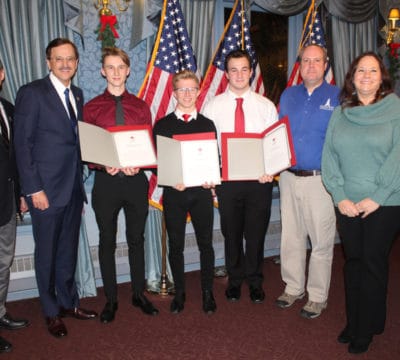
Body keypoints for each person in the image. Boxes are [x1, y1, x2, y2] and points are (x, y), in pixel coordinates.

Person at [13, 38, 97, 338]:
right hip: (44, 192)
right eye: (58, 59)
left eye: (70, 59)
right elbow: (22, 145)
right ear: (48, 62)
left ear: (76, 62)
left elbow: (77, 143)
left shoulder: (77, 93)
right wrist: (32, 188)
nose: (65, 64)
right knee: (46, 253)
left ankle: (68, 302)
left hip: (73, 189)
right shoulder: (32, 93)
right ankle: (50, 311)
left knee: (67, 251)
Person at [322, 52, 400, 354]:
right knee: (353, 263)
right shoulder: (341, 113)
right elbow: (329, 156)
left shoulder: (395, 109)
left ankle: (366, 328)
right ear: (352, 77)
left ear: (382, 77)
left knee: (372, 262)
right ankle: (356, 320)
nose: (366, 76)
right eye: (360, 71)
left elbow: (397, 157)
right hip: (347, 204)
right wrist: (339, 195)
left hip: (387, 202)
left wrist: (377, 196)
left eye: (373, 70)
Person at [83, 47, 158, 323]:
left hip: (135, 181)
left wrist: (140, 163)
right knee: (106, 241)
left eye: (120, 67)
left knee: (137, 239)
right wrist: (102, 164)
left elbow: (147, 145)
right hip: (106, 183)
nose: (115, 72)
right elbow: (88, 151)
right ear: (103, 71)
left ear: (128, 71)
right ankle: (111, 300)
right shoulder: (91, 108)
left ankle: (139, 294)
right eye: (110, 67)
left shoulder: (141, 107)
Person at [203, 49, 278, 303]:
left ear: (251, 72)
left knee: (256, 235)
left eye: (244, 69)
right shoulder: (213, 107)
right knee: (231, 234)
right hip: (227, 182)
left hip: (259, 182)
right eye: (233, 69)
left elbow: (274, 146)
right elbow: (208, 146)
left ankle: (255, 281)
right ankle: (235, 281)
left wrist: (272, 170)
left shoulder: (265, 106)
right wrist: (212, 178)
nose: (239, 74)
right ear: (226, 74)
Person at [275, 44, 339, 319]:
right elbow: (276, 136)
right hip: (288, 178)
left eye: (317, 61)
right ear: (299, 65)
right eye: (306, 61)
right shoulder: (288, 95)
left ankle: (317, 296)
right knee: (291, 237)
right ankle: (293, 286)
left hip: (320, 181)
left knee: (321, 241)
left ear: (326, 65)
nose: (311, 66)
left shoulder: (339, 97)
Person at [153, 70, 217, 314]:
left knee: (205, 244)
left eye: (192, 89)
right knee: (176, 245)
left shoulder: (207, 124)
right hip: (175, 193)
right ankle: (179, 293)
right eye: (182, 89)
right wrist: (170, 178)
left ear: (199, 91)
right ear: (174, 93)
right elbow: (159, 162)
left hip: (201, 193)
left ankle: (207, 292)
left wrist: (211, 178)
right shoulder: (163, 125)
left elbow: (214, 159)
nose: (188, 94)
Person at [0, 58, 30, 353]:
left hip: (6, 202)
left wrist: (21, 193)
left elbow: (16, 158)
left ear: (2, 74)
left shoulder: (8, 109)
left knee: (3, 263)